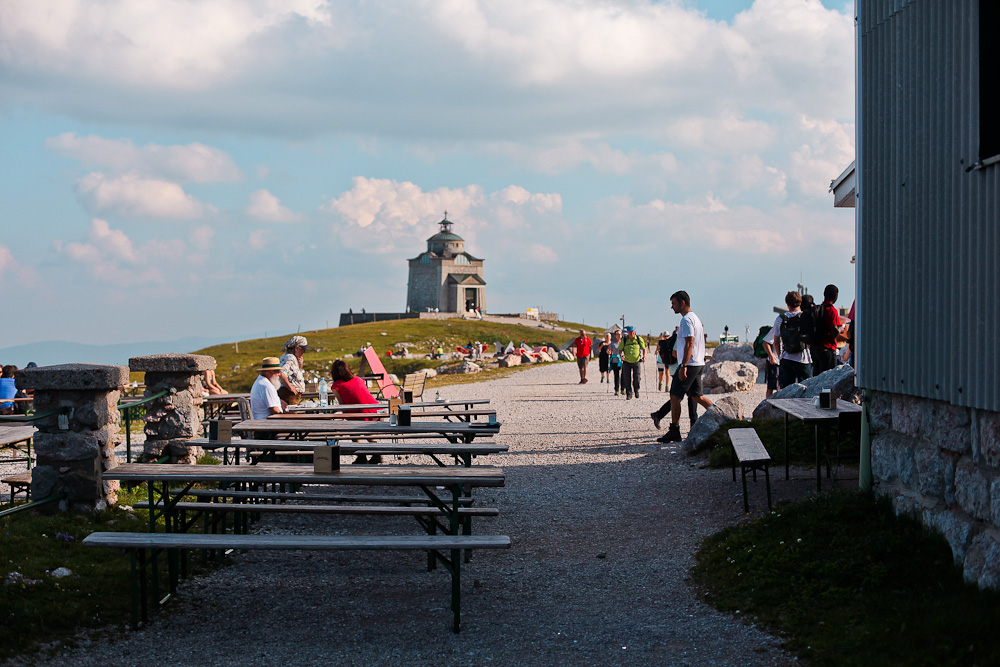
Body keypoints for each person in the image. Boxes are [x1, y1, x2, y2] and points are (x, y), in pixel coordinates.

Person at [652, 291, 714, 442]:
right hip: (698, 362)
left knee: (674, 396)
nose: (671, 307)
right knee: (696, 396)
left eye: (673, 303)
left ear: (682, 303)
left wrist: (683, 365)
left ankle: (675, 430)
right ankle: (721, 416)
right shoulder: (696, 318)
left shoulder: (686, 320)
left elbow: (689, 342)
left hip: (690, 363)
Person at [329, 359, 382, 464]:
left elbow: (342, 404)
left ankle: (361, 456)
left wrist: (345, 417)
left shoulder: (336, 385)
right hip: (376, 410)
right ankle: (377, 454)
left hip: (360, 412)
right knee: (367, 431)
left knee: (353, 430)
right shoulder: (358, 379)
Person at [765, 291, 813, 390]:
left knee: (787, 391)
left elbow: (776, 341)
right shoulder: (805, 317)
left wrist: (779, 356)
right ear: (800, 303)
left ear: (787, 304)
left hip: (786, 358)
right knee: (806, 390)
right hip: (803, 359)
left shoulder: (780, 319)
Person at [811, 284, 843, 376]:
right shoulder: (831, 310)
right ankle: (825, 391)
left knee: (817, 378)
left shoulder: (818, 309)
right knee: (827, 380)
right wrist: (841, 329)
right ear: (836, 296)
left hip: (816, 349)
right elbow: (834, 332)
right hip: (828, 348)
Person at [279, 335, 312, 405]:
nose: (304, 352)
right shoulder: (290, 358)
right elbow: (282, 373)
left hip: (290, 394)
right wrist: (290, 387)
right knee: (292, 414)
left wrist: (300, 366)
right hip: (289, 395)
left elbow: (294, 375)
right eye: (303, 349)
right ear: (297, 348)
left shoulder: (286, 356)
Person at [619, 326, 645, 400]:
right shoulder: (624, 340)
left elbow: (644, 348)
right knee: (627, 378)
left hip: (636, 361)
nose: (632, 333)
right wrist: (621, 355)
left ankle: (636, 389)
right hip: (626, 362)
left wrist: (644, 356)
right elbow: (620, 350)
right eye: (630, 332)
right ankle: (629, 394)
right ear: (627, 332)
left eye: (633, 332)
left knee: (637, 377)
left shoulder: (639, 339)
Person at [608, 330, 623, 395]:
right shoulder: (613, 343)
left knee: (623, 375)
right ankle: (616, 390)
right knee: (616, 375)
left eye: (620, 334)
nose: (619, 335)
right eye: (617, 334)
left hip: (622, 361)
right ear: (615, 335)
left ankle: (623, 389)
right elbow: (609, 349)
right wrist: (609, 351)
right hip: (615, 361)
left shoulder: (623, 342)